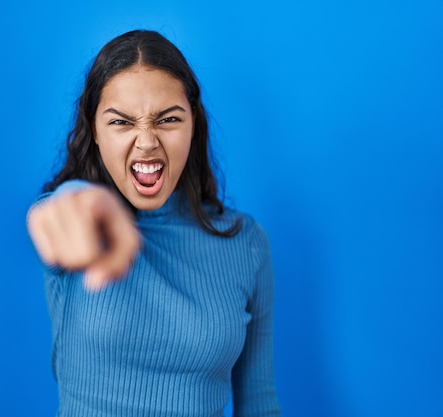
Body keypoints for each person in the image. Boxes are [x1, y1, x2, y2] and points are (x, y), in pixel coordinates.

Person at [27, 30, 280, 417]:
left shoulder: (246, 243)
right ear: (94, 130)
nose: (146, 142)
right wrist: (81, 200)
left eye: (167, 119)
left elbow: (259, 402)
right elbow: (55, 213)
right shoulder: (81, 226)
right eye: (122, 122)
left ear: (193, 123)